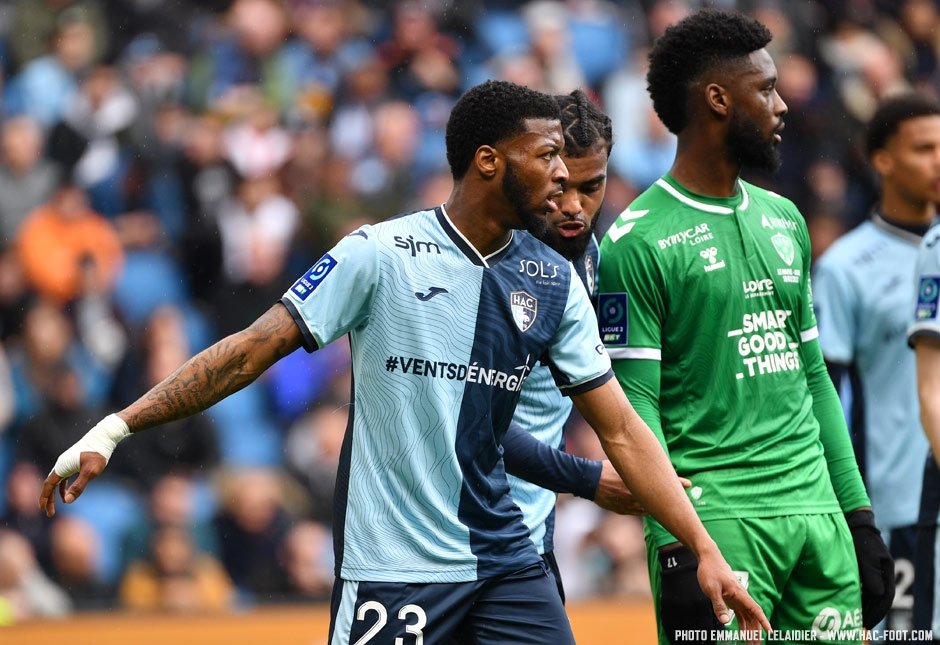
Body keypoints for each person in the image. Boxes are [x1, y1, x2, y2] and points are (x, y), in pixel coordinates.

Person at [39, 80, 768, 644]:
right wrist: (116, 426)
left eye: (578, 170)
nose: (560, 178)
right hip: (395, 570)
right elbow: (246, 353)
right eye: (546, 157)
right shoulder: (378, 253)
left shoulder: (555, 281)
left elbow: (621, 428)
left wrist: (701, 545)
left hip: (506, 560)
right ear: (489, 161)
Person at [595, 9, 893, 644]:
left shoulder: (785, 219)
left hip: (819, 520)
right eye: (766, 89)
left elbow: (813, 380)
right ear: (718, 99)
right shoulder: (637, 241)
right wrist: (674, 544)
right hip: (720, 527)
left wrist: (858, 517)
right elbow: (635, 408)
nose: (782, 105)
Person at [499, 88, 682, 607]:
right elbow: (470, 419)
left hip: (530, 535)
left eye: (592, 186)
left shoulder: (595, 258)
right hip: (456, 540)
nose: (574, 207)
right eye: (559, 187)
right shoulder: (492, 267)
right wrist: (587, 480)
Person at [817, 92, 940, 638]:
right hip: (900, 503)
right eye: (925, 148)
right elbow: (825, 394)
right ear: (882, 160)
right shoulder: (845, 267)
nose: (939, 161)